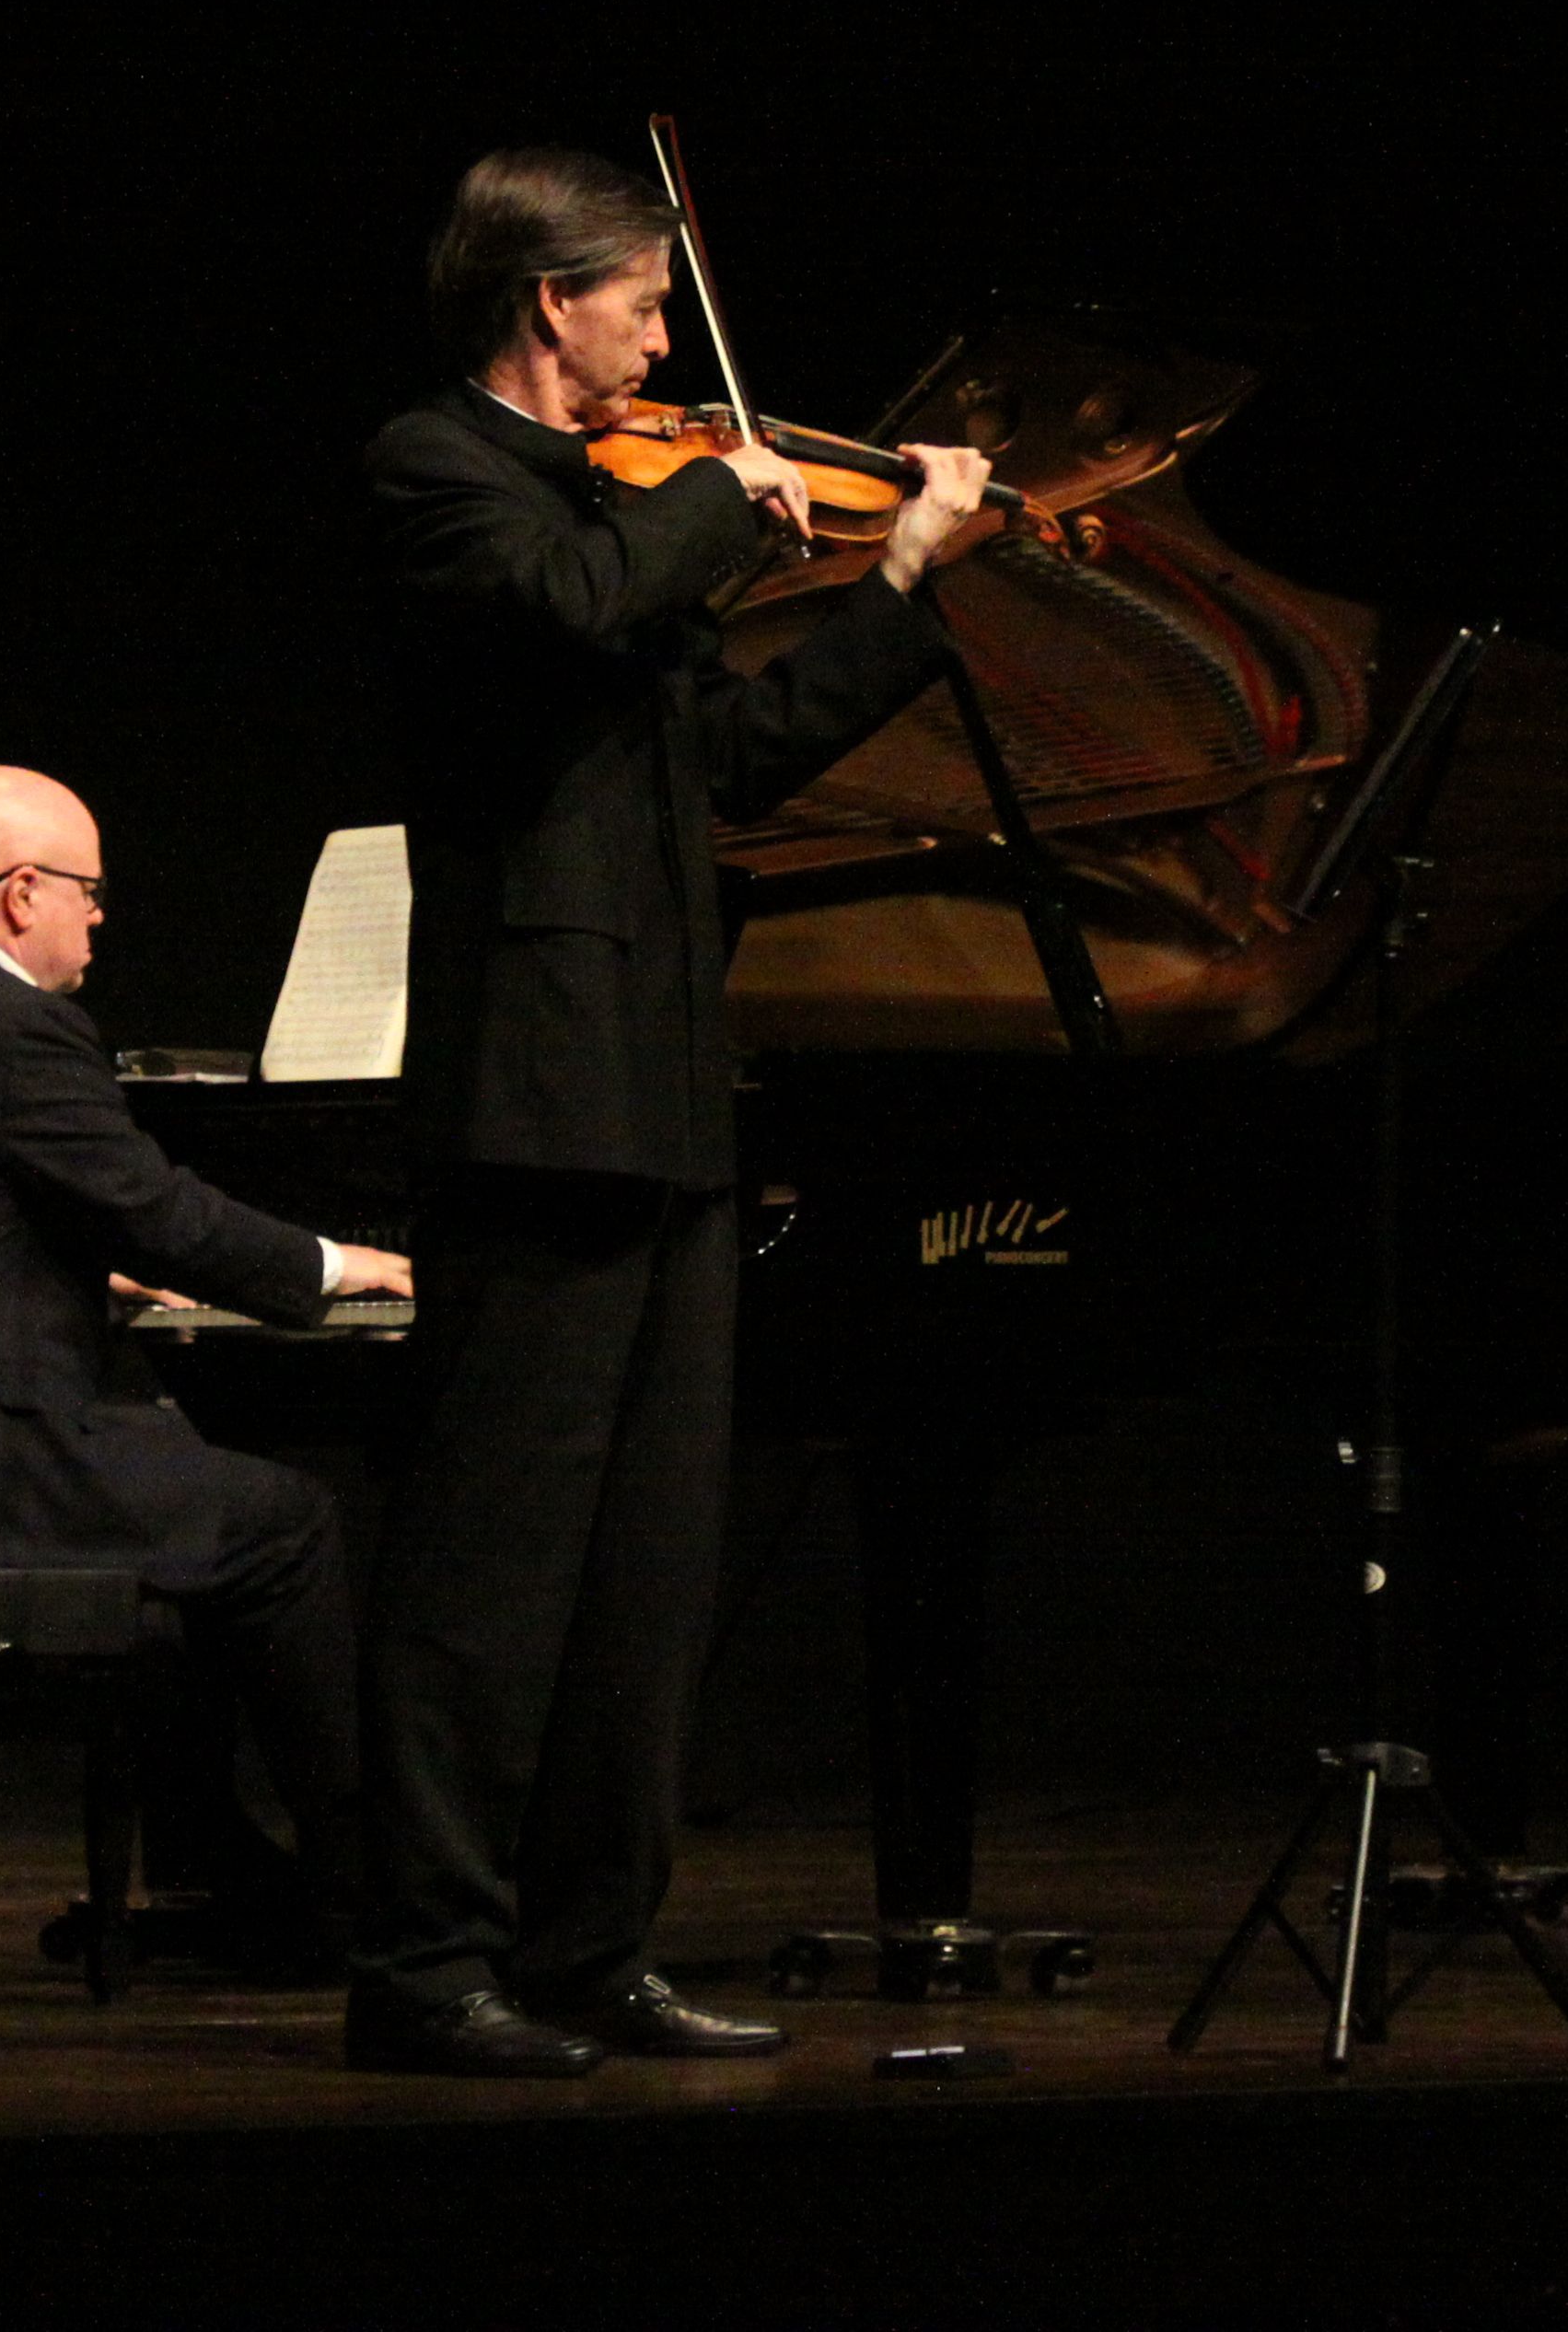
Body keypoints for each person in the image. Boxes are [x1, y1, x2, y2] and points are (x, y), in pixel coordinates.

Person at [343, 144, 996, 2076]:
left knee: (647, 1572)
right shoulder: (437, 474)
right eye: (642, 301)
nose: (661, 337)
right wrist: (723, 497)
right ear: (552, 301)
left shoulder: (635, 514)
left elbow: (732, 752)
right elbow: (566, 606)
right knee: (490, 1566)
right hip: (532, 1094)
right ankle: (422, 1970)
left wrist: (888, 580)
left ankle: (587, 1951)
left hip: (667, 1097)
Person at [0, 767, 412, 1950]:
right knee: (283, 1522)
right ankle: (365, 1890)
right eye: (88, 893)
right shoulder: (14, 1025)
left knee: (176, 1479)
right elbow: (161, 1211)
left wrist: (78, 1276)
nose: (99, 917)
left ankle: (211, 1860)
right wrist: (336, 1266)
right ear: (18, 891)